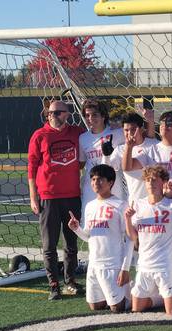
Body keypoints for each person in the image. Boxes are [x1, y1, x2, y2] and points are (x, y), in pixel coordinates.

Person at [28, 100, 84, 300]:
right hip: (48, 198)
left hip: (72, 196)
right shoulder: (39, 135)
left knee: (71, 244)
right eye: (50, 113)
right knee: (49, 245)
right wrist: (33, 197)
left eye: (58, 112)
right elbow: (32, 169)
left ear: (67, 114)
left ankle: (70, 282)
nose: (52, 115)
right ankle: (53, 285)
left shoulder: (77, 133)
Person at [67, 164, 133, 312]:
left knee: (117, 308)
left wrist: (125, 268)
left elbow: (130, 238)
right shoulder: (90, 206)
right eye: (93, 179)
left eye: (100, 179)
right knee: (95, 307)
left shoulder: (121, 205)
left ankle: (132, 293)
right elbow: (88, 237)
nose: (95, 183)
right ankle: (116, 292)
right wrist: (76, 228)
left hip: (113, 265)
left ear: (110, 183)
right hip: (94, 265)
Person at [124, 165, 172, 315]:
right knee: (136, 309)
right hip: (144, 264)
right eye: (147, 180)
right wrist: (127, 219)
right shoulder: (138, 205)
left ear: (163, 182)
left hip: (166, 266)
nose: (150, 183)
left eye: (154, 179)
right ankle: (159, 299)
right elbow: (133, 237)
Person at [123, 110, 172, 199]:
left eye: (169, 124)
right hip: (162, 205)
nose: (164, 126)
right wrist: (129, 147)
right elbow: (127, 167)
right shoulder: (151, 150)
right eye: (162, 123)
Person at [78, 99, 126, 213]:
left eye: (94, 115)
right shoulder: (83, 138)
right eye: (87, 115)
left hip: (113, 185)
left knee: (116, 221)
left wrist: (121, 125)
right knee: (90, 222)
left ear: (103, 116)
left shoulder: (118, 133)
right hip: (91, 188)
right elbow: (81, 164)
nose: (90, 118)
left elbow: (139, 134)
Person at [107, 112, 159, 203]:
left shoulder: (155, 145)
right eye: (126, 130)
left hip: (157, 201)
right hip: (135, 202)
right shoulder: (120, 149)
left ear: (142, 129)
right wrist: (106, 155)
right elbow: (108, 169)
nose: (130, 133)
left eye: (133, 129)